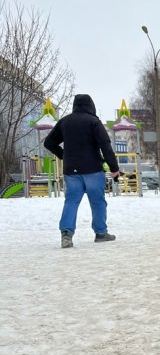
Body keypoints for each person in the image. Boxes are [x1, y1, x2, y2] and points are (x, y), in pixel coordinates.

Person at [43, 94, 120, 249]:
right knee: (97, 201)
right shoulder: (94, 122)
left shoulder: (64, 122)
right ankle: (100, 233)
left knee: (71, 201)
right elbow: (105, 146)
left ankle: (66, 235)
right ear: (91, 105)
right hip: (93, 169)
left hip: (71, 170)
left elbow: (49, 142)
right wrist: (114, 168)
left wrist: (64, 155)